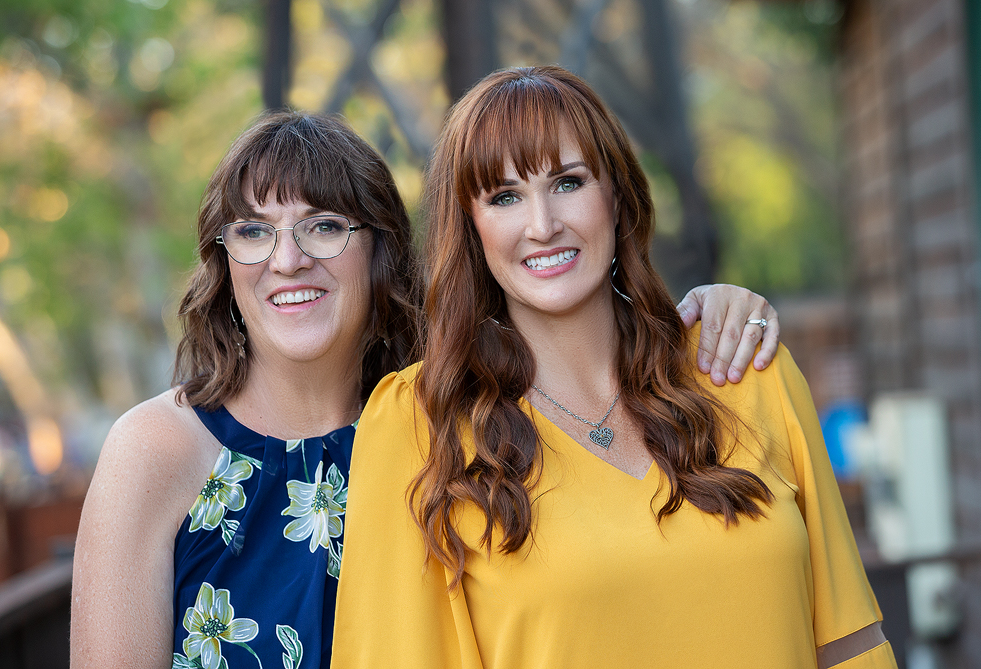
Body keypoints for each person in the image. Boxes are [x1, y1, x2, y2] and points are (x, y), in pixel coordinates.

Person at [69, 110, 776, 669]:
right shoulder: (156, 449)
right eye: (253, 231)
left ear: (381, 250)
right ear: (224, 260)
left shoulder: (451, 426)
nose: (287, 260)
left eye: (323, 225)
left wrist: (714, 309)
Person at [332, 67, 897, 668]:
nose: (543, 225)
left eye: (568, 182)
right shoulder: (420, 423)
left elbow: (851, 645)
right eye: (503, 197)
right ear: (470, 228)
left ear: (617, 194)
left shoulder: (746, 366)